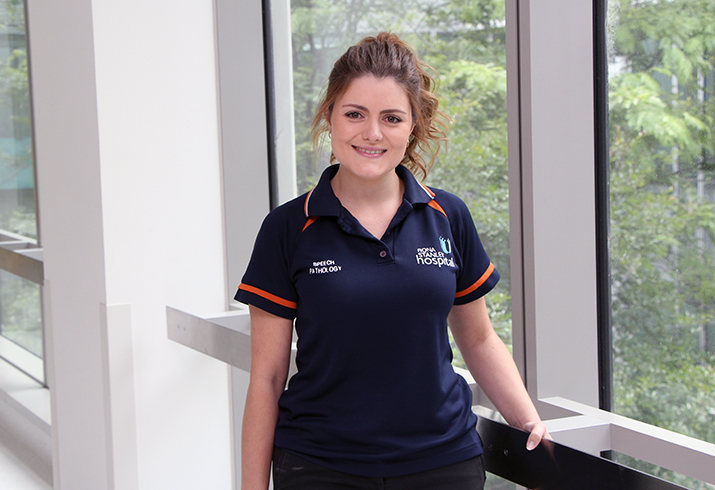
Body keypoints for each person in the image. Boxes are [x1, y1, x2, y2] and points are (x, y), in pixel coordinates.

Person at [236, 32, 549, 490]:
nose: (372, 133)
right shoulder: (287, 227)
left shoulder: (449, 217)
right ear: (329, 117)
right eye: (354, 114)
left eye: (391, 117)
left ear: (413, 127)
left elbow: (479, 340)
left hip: (443, 465)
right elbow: (267, 377)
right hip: (319, 467)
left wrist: (527, 419)